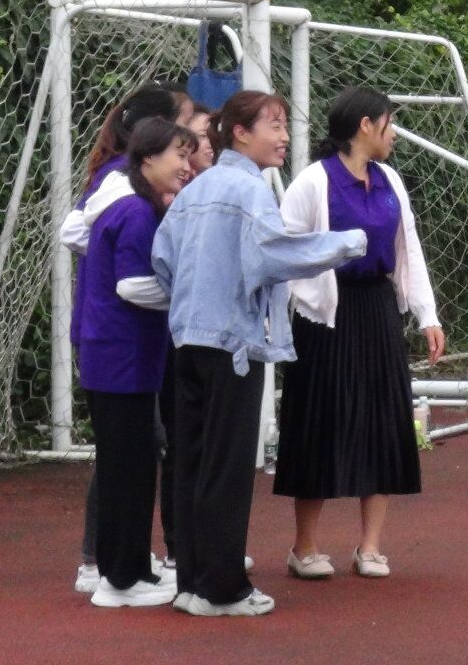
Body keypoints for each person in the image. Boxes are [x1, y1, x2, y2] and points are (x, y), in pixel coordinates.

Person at [152, 90, 370, 617]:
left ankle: (193, 583)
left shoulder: (197, 187)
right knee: (228, 468)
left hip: (188, 340)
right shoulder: (250, 190)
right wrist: (347, 242)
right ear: (241, 132)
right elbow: (273, 254)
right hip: (232, 343)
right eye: (274, 125)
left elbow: (163, 256)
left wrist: (192, 299)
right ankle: (224, 589)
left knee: (193, 462)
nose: (284, 136)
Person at [275, 88, 443, 579]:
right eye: (389, 123)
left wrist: (427, 314)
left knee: (383, 419)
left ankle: (370, 546)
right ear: (365, 125)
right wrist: (295, 304)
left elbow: (408, 246)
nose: (394, 134)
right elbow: (281, 250)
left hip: (377, 309)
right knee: (319, 420)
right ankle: (304, 547)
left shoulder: (390, 179)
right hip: (324, 315)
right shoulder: (313, 180)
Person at [63, 83, 182, 595]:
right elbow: (132, 285)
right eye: (178, 152)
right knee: (126, 464)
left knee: (130, 461)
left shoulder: (126, 200)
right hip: (119, 354)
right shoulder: (132, 207)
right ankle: (118, 575)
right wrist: (186, 296)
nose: (186, 164)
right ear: (147, 154)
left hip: (119, 353)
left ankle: (125, 568)